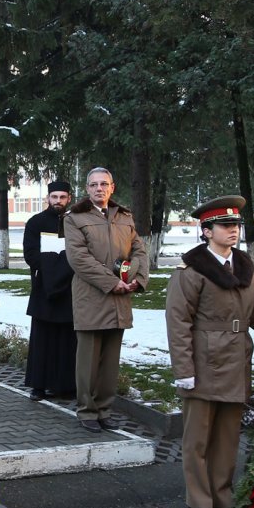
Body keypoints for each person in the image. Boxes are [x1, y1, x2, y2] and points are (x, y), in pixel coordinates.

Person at [165, 196, 254, 508]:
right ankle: (199, 498)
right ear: (206, 231)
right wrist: (184, 370)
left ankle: (222, 495)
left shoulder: (245, 266)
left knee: (228, 435)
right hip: (204, 361)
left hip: (236, 359)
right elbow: (178, 323)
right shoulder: (190, 271)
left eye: (236, 225)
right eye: (224, 225)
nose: (232, 230)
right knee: (199, 437)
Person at [64, 167, 149, 433]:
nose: (99, 189)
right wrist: (113, 282)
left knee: (110, 362)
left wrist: (137, 278)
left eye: (104, 184)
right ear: (87, 189)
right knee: (88, 361)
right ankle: (87, 411)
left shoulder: (125, 216)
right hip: (92, 297)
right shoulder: (75, 218)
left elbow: (140, 250)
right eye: (93, 185)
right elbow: (78, 259)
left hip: (120, 300)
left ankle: (104, 409)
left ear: (112, 187)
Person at [22, 180, 76, 401]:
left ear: (69, 198)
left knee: (67, 340)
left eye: (62, 197)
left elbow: (79, 254)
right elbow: (31, 255)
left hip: (70, 289)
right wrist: (55, 267)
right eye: (54, 197)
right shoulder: (36, 222)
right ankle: (39, 386)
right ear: (48, 198)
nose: (58, 201)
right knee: (42, 340)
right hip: (43, 288)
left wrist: (63, 268)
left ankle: (65, 386)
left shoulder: (75, 223)